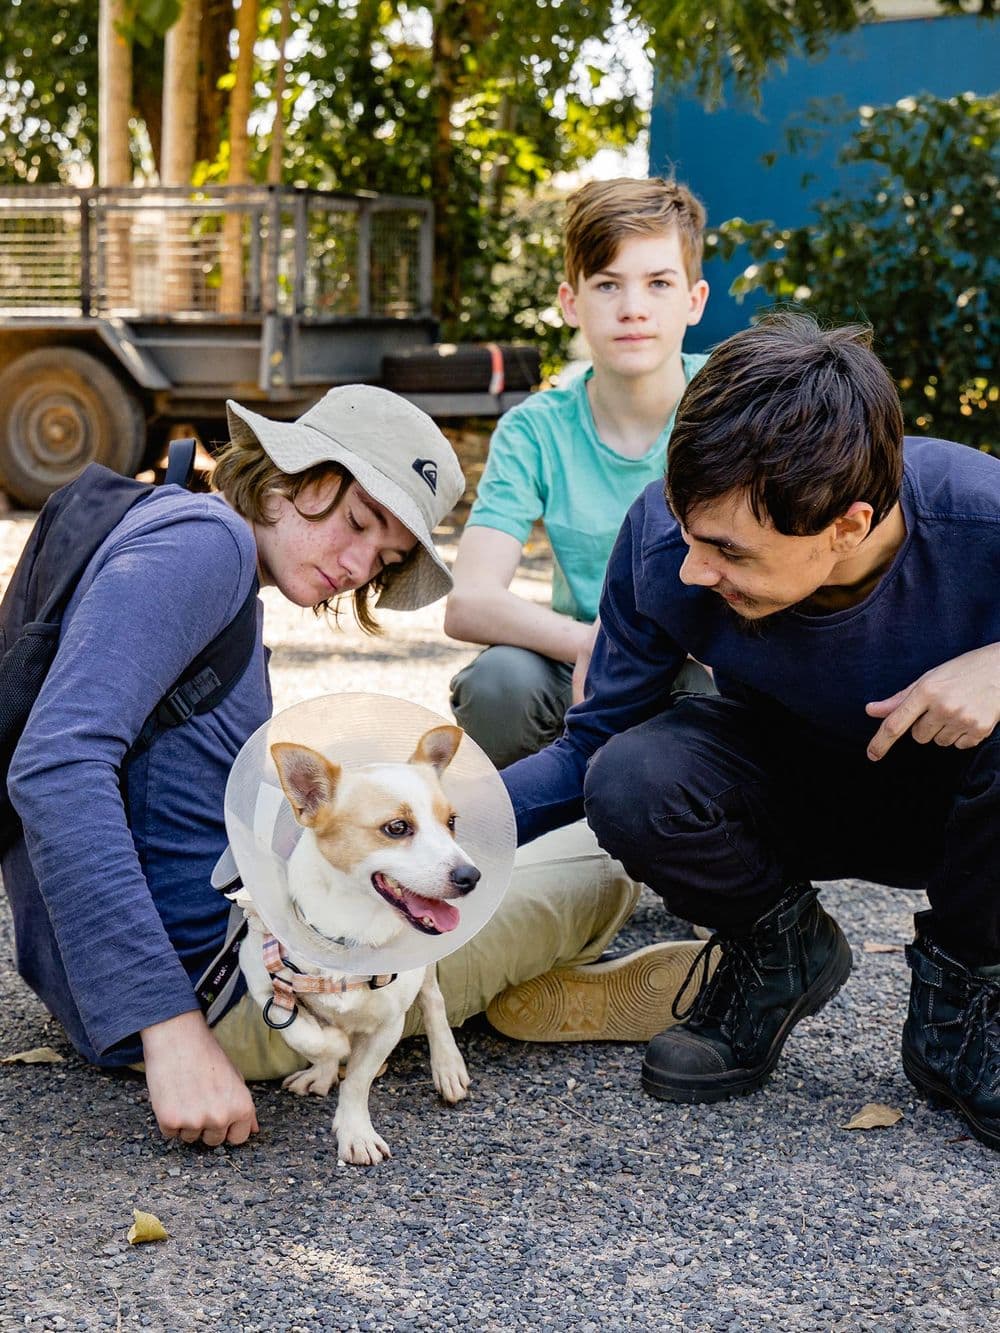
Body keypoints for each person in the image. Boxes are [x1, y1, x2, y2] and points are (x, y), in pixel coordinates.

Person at [1, 384, 699, 1148]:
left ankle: (497, 983)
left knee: (454, 860)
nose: (359, 562)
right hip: (230, 994)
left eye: (387, 555)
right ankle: (502, 981)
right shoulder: (204, 546)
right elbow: (56, 764)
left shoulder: (162, 522)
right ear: (291, 470)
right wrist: (169, 1029)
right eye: (358, 520)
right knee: (597, 865)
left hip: (149, 966)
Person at [498, 313, 1000, 1152]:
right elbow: (590, 746)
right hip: (792, 793)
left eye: (730, 551)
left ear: (848, 524)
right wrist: (438, 825)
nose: (696, 569)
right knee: (631, 775)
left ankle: (965, 997)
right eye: (689, 529)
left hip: (964, 816)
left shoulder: (979, 518)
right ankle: (780, 950)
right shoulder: (667, 545)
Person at [444, 177, 712, 769]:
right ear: (571, 302)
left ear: (694, 300)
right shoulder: (535, 429)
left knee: (746, 695)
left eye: (658, 283)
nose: (633, 307)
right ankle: (538, 828)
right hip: (586, 656)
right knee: (498, 684)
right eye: (608, 284)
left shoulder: (736, 404)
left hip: (707, 658)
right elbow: (469, 601)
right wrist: (592, 641)